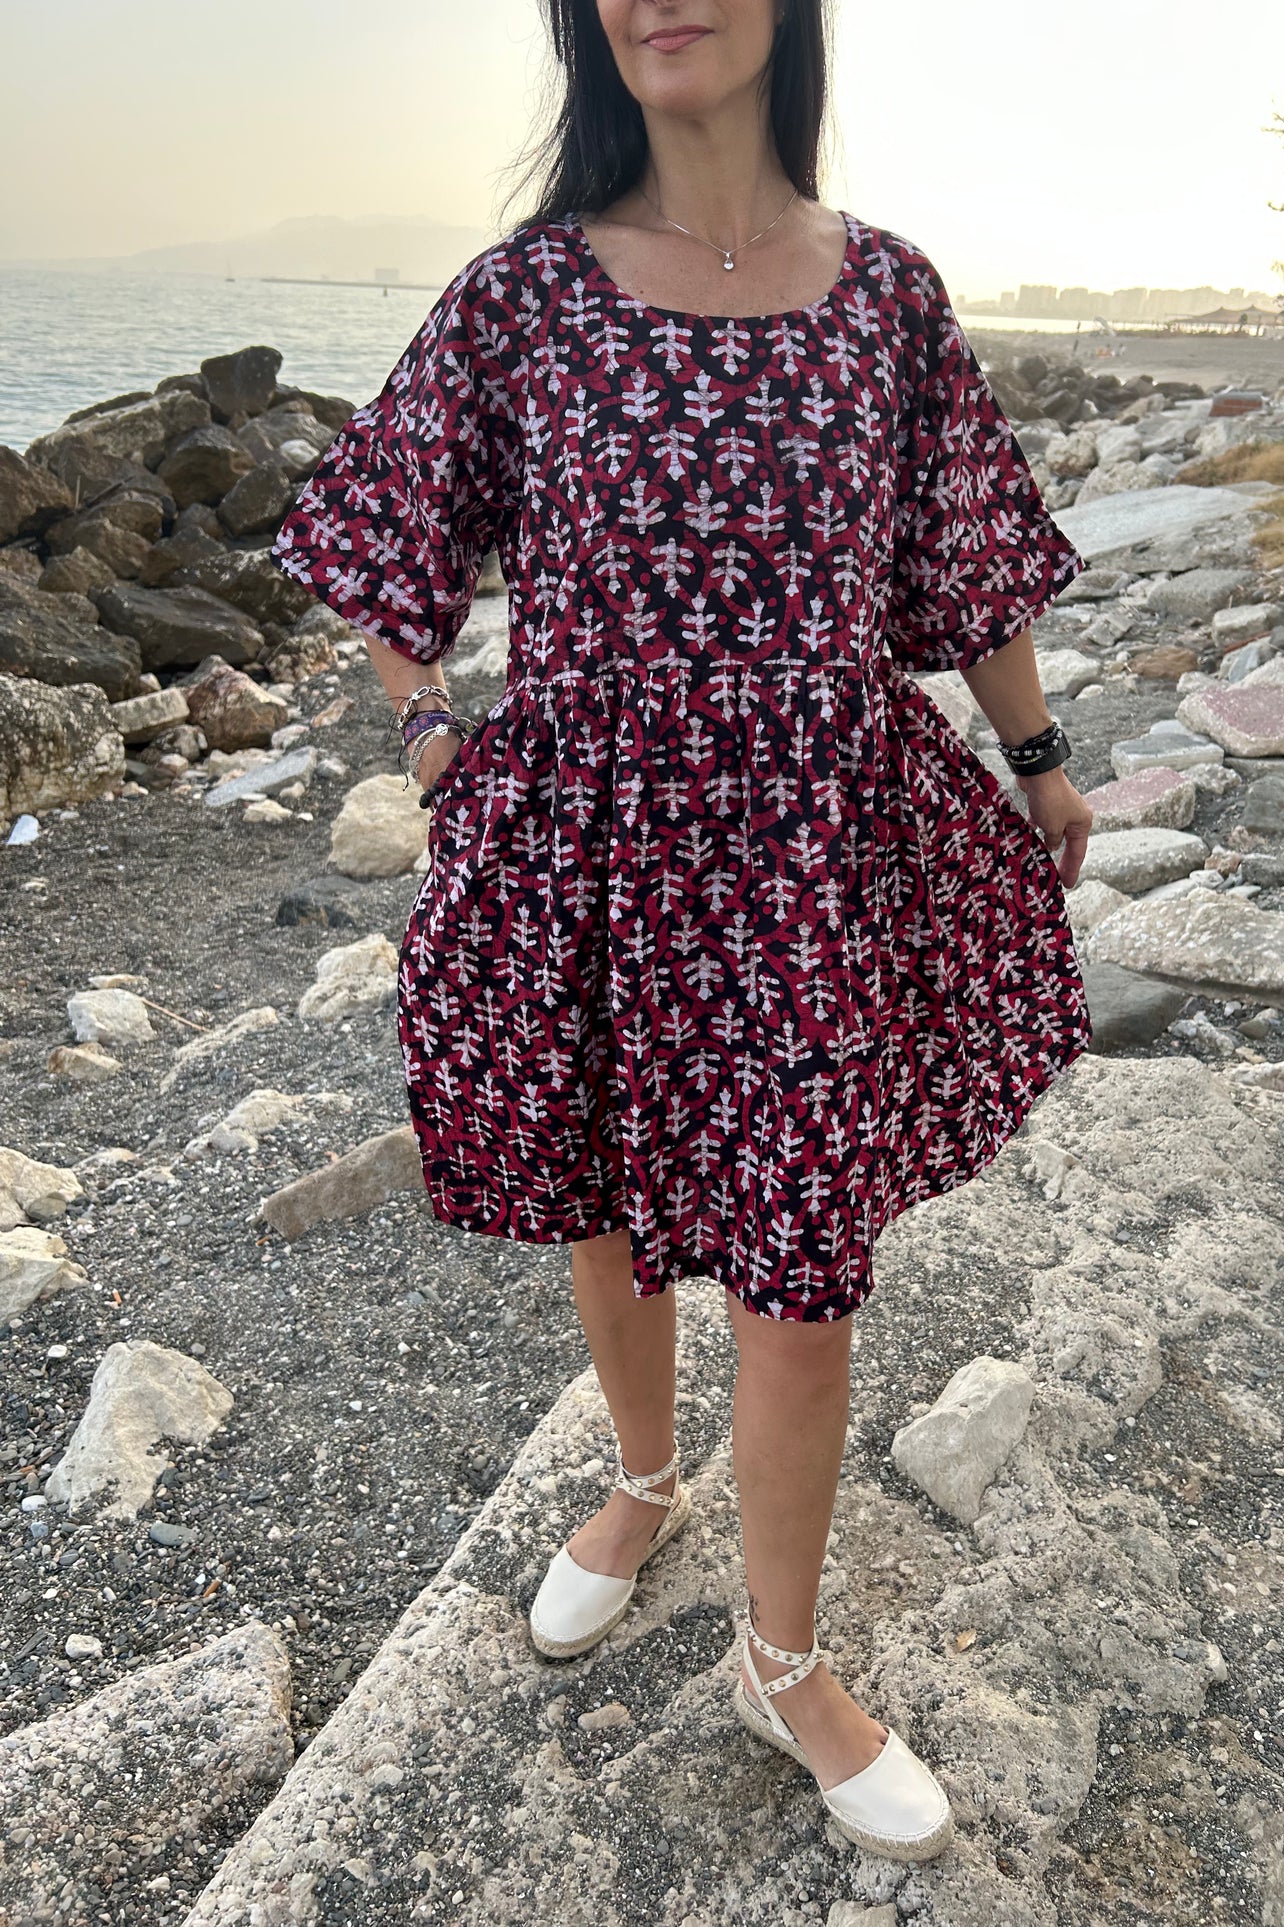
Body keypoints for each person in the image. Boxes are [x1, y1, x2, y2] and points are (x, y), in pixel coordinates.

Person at [270, 0, 1094, 1866]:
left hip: (814, 845)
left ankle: (782, 1657)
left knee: (801, 1277)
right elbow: (379, 532)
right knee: (611, 1206)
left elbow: (963, 559)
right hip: (586, 839)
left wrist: (1038, 752)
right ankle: (642, 1481)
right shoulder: (525, 296)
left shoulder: (882, 295)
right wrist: (428, 726)